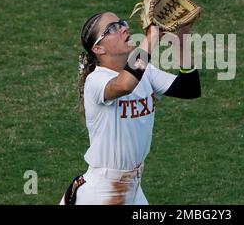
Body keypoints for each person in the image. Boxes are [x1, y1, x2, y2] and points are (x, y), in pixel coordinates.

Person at [59, 12, 201, 205]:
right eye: (112, 29)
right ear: (98, 48)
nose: (124, 28)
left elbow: (189, 88)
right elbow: (124, 85)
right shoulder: (96, 80)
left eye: (121, 23)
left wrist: (182, 39)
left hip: (133, 189)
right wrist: (150, 39)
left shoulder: (145, 72)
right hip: (103, 192)